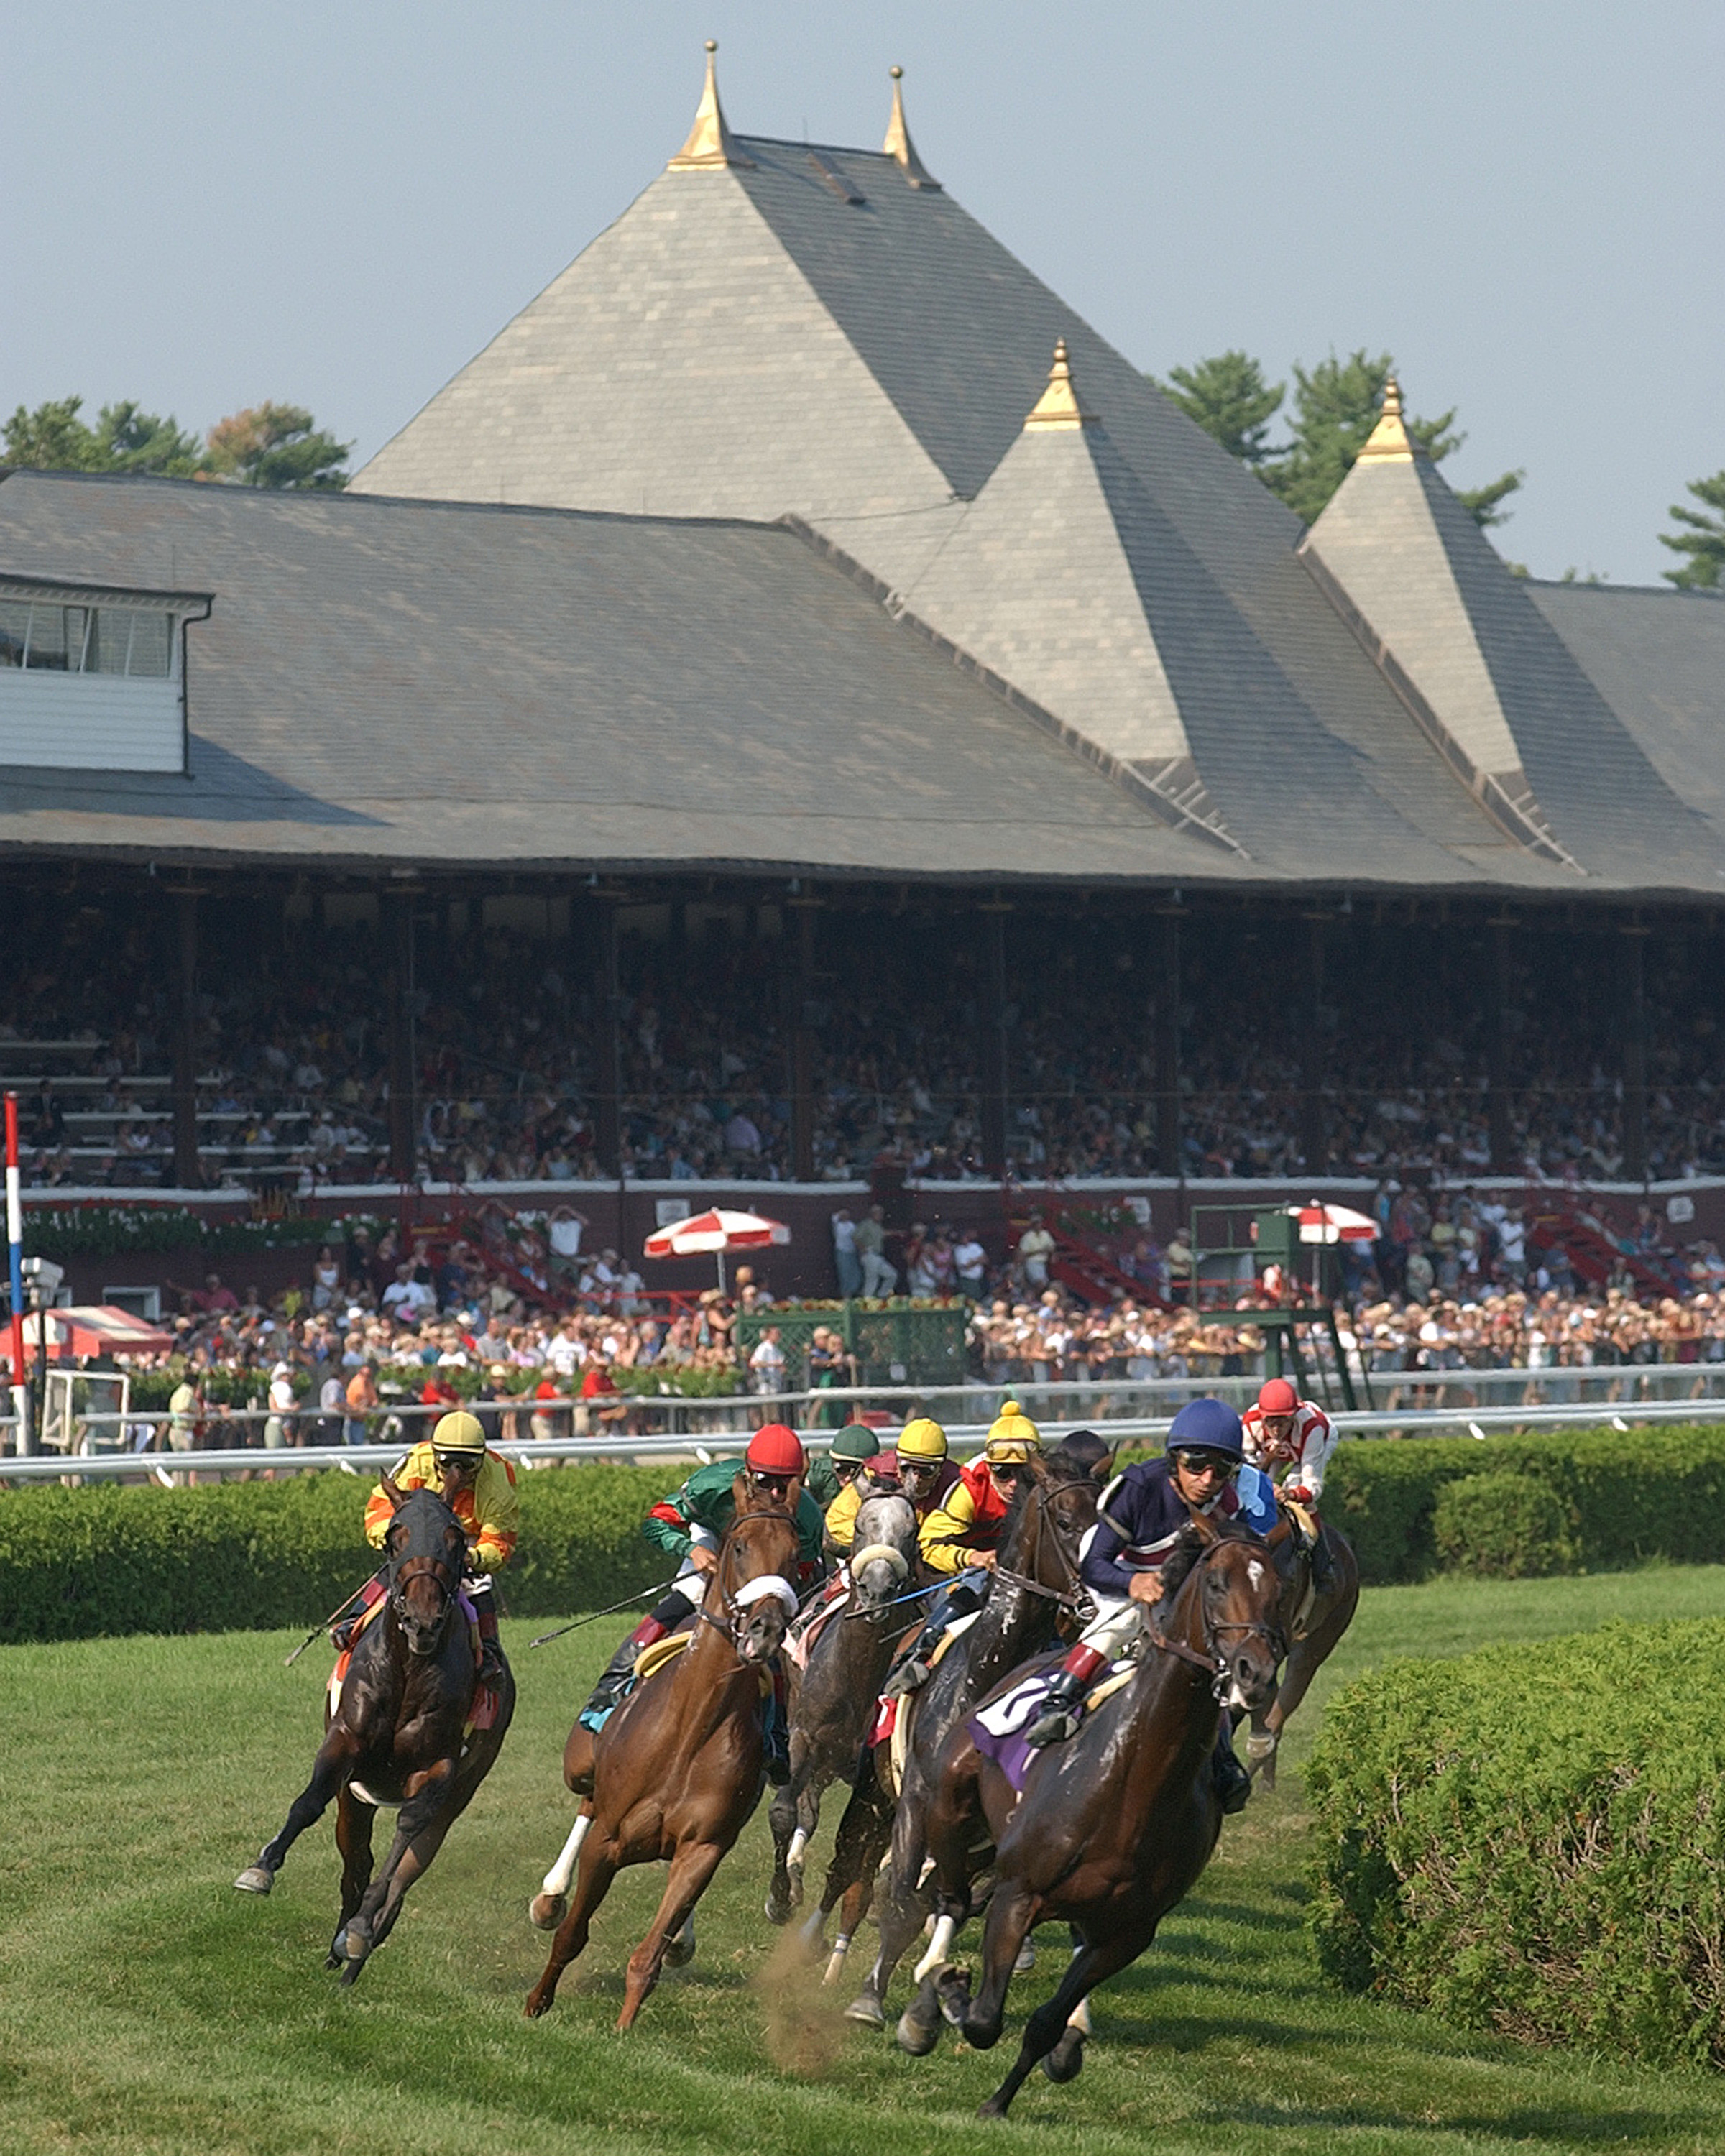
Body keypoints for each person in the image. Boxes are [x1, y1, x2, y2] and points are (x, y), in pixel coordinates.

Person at [1020, 1399, 1275, 1809]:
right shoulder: (1139, 1487)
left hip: (1177, 1589)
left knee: (1215, 1661)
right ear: (1175, 1459)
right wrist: (1133, 1582)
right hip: (1118, 1572)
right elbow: (1094, 1566)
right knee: (1119, 1625)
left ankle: (1223, 1756)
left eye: (1222, 1470)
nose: (1208, 1480)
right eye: (1196, 1464)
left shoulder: (1228, 1505)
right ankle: (1058, 1704)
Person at [576, 1424, 826, 1779]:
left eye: (783, 1484)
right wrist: (689, 1549)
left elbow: (803, 1564)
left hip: (767, 1559)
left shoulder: (808, 1516)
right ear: (746, 1472)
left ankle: (775, 1735)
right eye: (765, 1480)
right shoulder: (713, 1485)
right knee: (686, 1597)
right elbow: (655, 1521)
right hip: (715, 1539)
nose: (773, 1491)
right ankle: (610, 1691)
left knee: (775, 1640)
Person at [886, 1403, 1042, 1696]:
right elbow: (931, 1546)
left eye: (1023, 1475)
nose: (1013, 1484)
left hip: (1022, 1575)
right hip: (968, 1575)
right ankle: (921, 1651)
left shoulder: (1044, 1489)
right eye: (1003, 1473)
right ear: (989, 1466)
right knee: (977, 1581)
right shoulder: (970, 1490)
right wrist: (974, 1557)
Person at [357, 1409, 519, 1684]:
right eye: (447, 1462)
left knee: (480, 1586)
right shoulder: (416, 1462)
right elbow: (378, 1513)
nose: (456, 1473)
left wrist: (474, 1557)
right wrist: (402, 1540)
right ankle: (352, 1624)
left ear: (481, 1459)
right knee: (399, 1573)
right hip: (416, 1547)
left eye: (466, 1464)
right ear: (434, 1455)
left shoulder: (498, 1479)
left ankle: (490, 1655)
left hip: (463, 1549)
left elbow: (500, 1542)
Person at [1241, 1376, 1337, 1589]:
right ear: (1262, 1417)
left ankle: (1324, 1564)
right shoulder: (1249, 1425)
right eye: (1271, 1422)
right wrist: (1269, 1459)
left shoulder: (1313, 1428)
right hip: (1276, 1452)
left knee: (1296, 1490)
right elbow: (1249, 1476)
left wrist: (1290, 1495)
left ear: (1293, 1416)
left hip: (1314, 1445)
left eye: (1283, 1421)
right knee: (1256, 1493)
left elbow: (1314, 1486)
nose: (1276, 1429)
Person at [822, 1421, 894, 1554]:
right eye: (841, 1469)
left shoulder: (882, 1485)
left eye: (857, 1470)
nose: (849, 1478)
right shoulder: (820, 1477)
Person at [855, 1204, 897, 1298]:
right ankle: (867, 1301)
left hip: (878, 1256)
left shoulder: (878, 1226)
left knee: (892, 1275)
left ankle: (882, 1295)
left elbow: (883, 1234)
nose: (881, 1216)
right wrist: (863, 1249)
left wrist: (897, 1233)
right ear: (873, 1214)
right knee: (872, 1279)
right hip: (869, 1254)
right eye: (880, 1214)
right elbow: (855, 1237)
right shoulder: (866, 1224)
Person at [1017, 1210, 1055, 1292]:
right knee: (1040, 1284)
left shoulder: (1046, 1234)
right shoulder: (1027, 1237)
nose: (1039, 1225)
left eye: (1040, 1223)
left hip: (1043, 1263)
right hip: (1032, 1262)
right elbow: (1023, 1254)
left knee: (1045, 1284)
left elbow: (1052, 1246)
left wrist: (1052, 1255)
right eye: (1036, 1223)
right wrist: (1039, 1251)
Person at [832, 1207, 863, 1300]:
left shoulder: (852, 1225)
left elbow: (857, 1237)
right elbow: (834, 1218)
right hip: (842, 1252)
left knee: (855, 1274)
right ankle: (846, 1295)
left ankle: (853, 1293)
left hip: (852, 1252)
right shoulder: (837, 1225)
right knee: (844, 1273)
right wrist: (840, 1213)